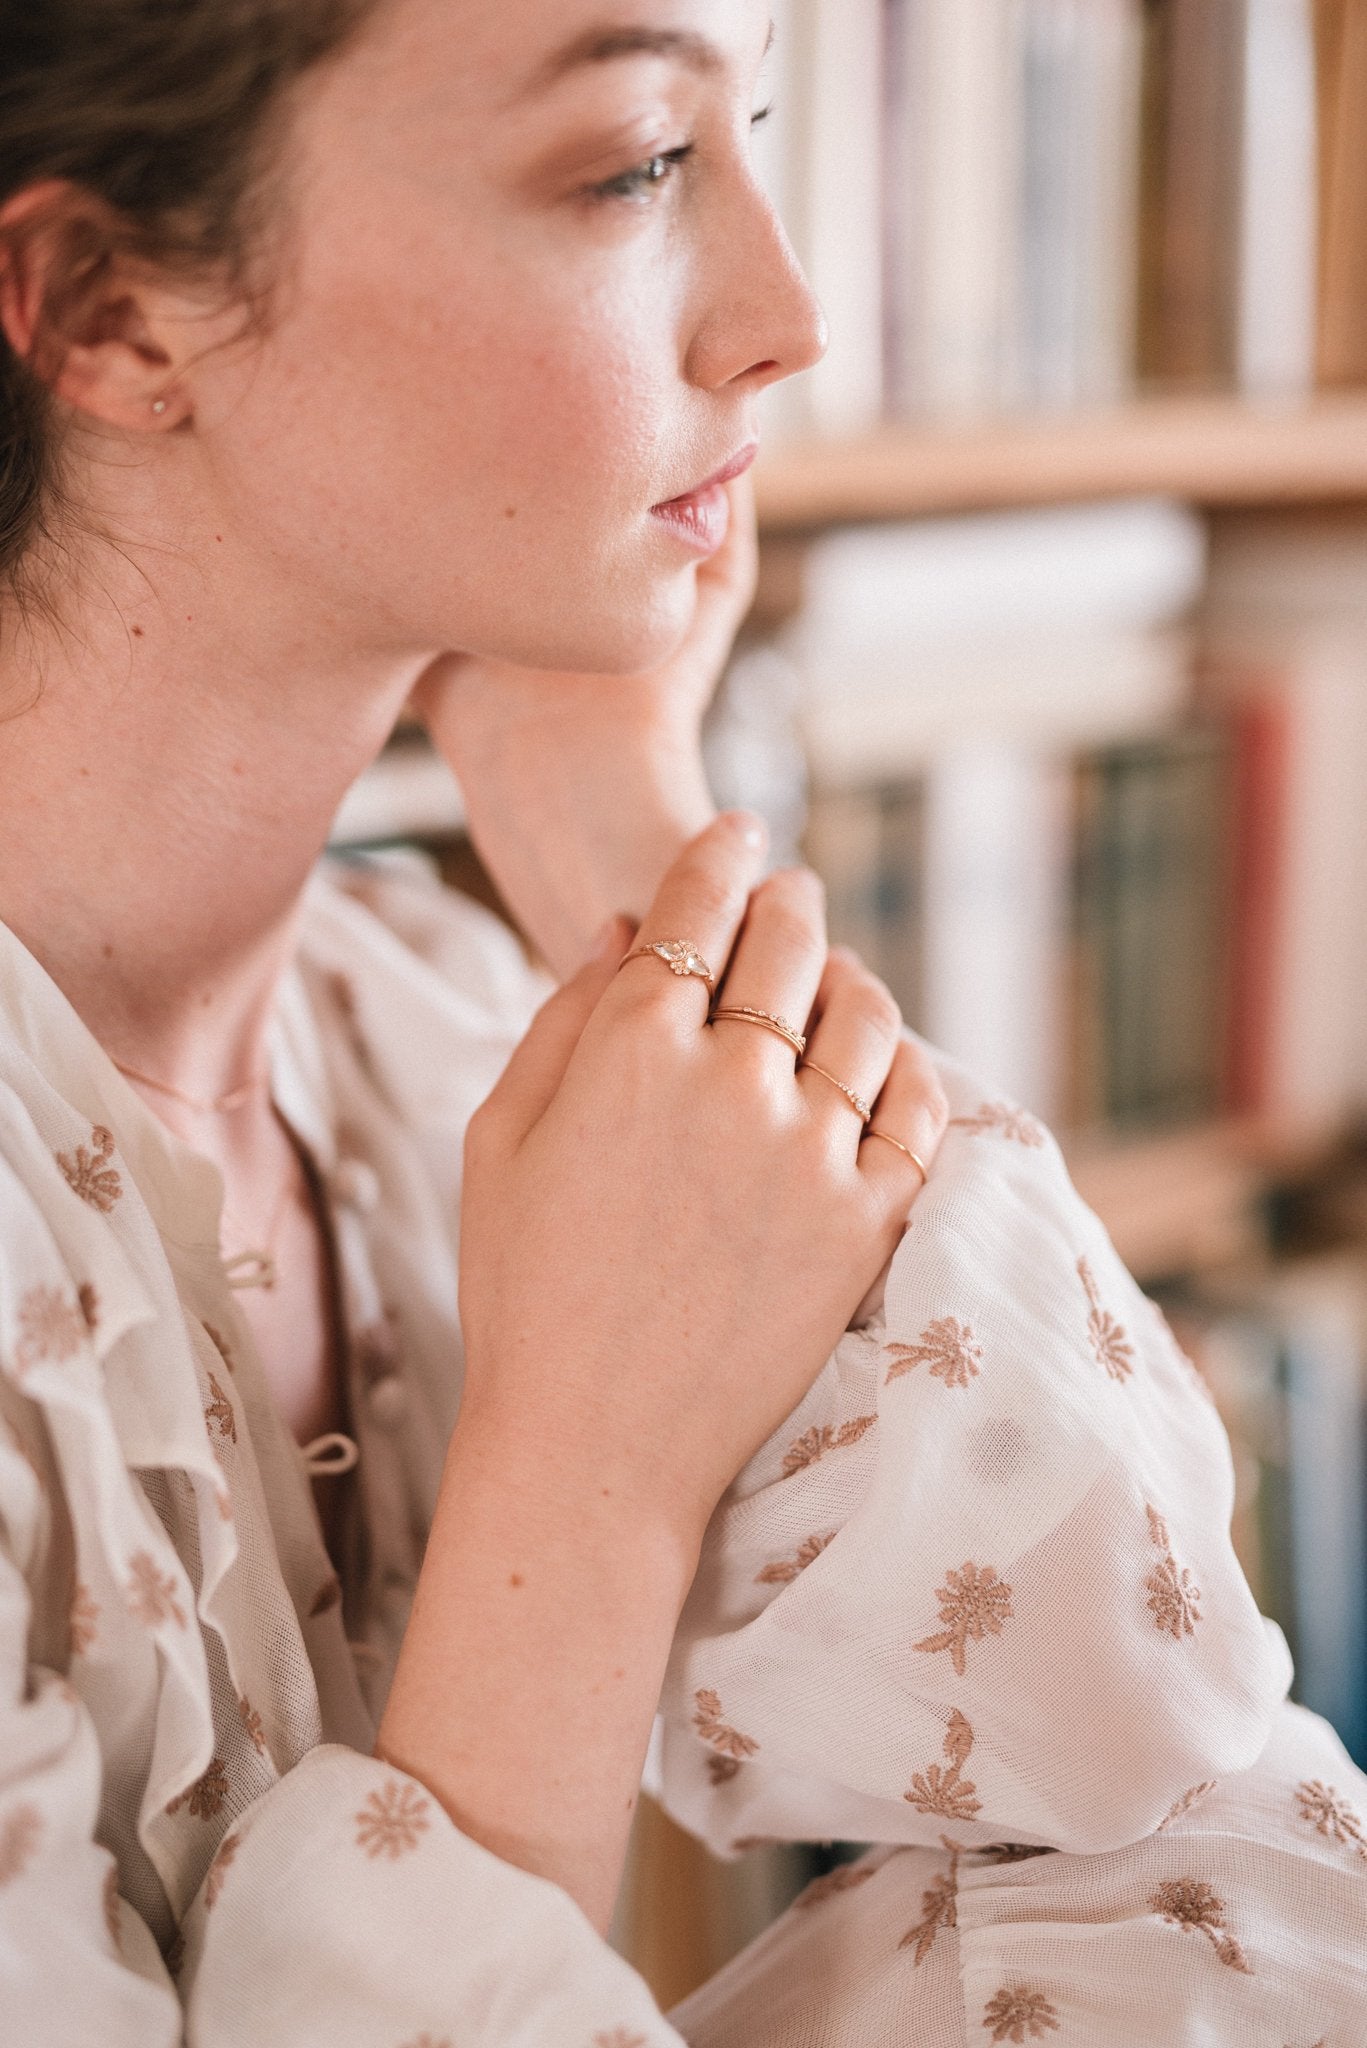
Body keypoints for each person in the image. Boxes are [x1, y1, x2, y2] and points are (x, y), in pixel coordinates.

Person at [0, 3, 1363, 2044]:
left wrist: (629, 838)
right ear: (114, 310)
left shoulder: (439, 1031)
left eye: (761, 134)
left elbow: (1197, 1780)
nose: (791, 315)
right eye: (636, 167)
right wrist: (584, 1489)